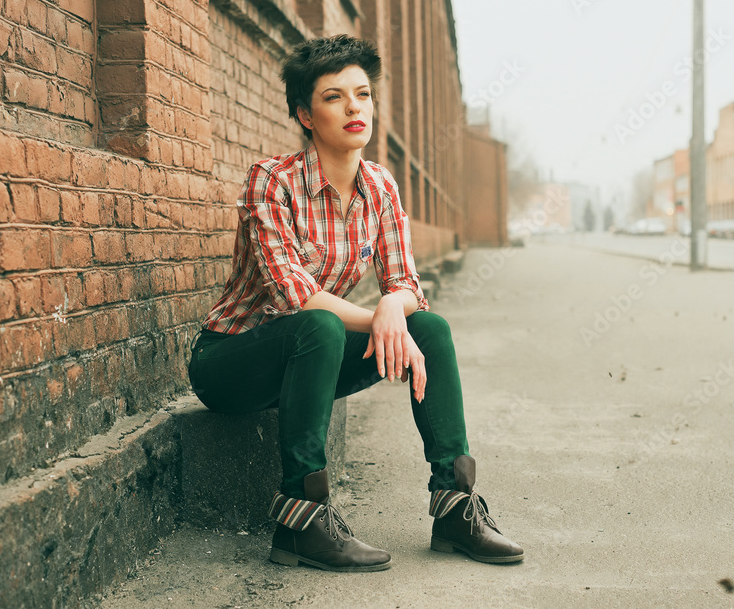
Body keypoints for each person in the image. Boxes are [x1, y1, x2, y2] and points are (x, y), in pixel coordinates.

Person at [187, 34, 523, 572]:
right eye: (333, 97)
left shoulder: (381, 187)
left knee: (430, 329)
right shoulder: (270, 181)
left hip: (313, 358)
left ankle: (455, 507)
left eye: (362, 94)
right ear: (305, 114)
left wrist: (395, 305)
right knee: (319, 324)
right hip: (231, 362)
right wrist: (382, 315)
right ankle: (302, 520)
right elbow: (293, 295)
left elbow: (409, 283)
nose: (353, 108)